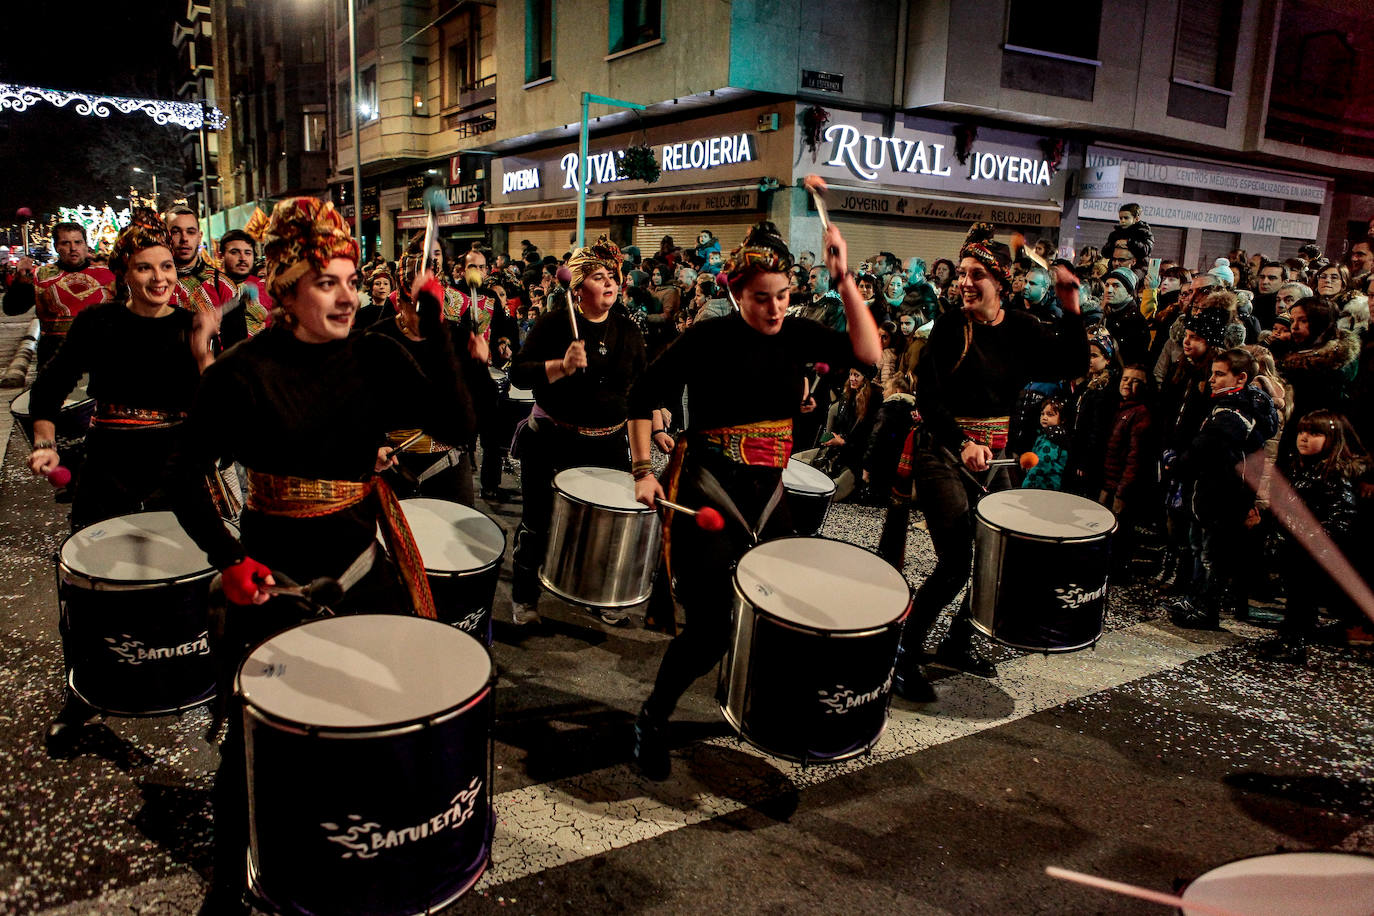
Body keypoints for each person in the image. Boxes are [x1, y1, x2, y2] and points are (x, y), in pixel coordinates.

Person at [169, 197, 474, 914]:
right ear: (285, 290)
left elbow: (458, 424)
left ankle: (369, 856)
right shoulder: (241, 374)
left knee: (381, 713)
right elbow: (181, 478)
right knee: (260, 737)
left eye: (350, 279)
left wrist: (434, 334)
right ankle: (232, 883)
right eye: (326, 282)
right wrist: (227, 557)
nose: (346, 296)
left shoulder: (376, 351)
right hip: (275, 577)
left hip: (369, 561)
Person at [627, 217, 881, 780]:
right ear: (736, 293)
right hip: (707, 490)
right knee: (711, 627)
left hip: (769, 494)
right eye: (761, 298)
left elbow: (869, 355)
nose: (774, 309)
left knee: (784, 608)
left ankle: (756, 705)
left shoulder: (797, 332)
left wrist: (845, 282)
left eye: (784, 297)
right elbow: (641, 394)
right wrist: (643, 469)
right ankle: (653, 717)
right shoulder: (707, 338)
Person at [28, 209, 219, 746]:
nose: (159, 278)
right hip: (109, 468)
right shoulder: (99, 323)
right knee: (90, 586)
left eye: (166, 267)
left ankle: (190, 679)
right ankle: (85, 696)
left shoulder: (190, 325)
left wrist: (204, 349)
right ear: (123, 273)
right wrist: (45, 442)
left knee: (190, 582)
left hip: (179, 469)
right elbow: (49, 389)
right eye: (144, 268)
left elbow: (218, 405)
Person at [893, 223, 1087, 701]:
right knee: (957, 560)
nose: (964, 281)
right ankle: (903, 653)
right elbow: (931, 400)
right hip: (942, 449)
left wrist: (1071, 308)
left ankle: (959, 640)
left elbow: (1073, 363)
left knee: (998, 557)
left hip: (996, 455)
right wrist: (962, 443)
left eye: (975, 274)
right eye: (961, 272)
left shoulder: (1021, 326)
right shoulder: (948, 326)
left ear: (999, 282)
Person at [507, 237, 648, 625]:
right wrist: (560, 367)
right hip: (554, 438)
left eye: (612, 277)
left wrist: (657, 420)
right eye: (598, 277)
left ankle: (598, 594)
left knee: (607, 526)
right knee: (538, 522)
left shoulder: (629, 330)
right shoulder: (554, 324)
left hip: (609, 442)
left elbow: (639, 386)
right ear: (577, 287)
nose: (609, 283)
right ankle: (525, 597)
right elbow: (519, 372)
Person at [1166, 347, 1279, 628]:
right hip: (1209, 495)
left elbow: (1205, 450)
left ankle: (1206, 608)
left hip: (1221, 498)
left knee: (1209, 556)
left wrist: (1178, 463)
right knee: (1201, 549)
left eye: (1219, 374)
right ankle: (1198, 599)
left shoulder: (1231, 416)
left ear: (1240, 378)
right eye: (1212, 373)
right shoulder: (1224, 408)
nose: (1212, 379)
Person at [1259, 410, 1364, 662]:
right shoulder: (1302, 468)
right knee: (1295, 597)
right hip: (1296, 547)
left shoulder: (1333, 474)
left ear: (1331, 438)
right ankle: (1289, 636)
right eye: (1302, 432)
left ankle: (1296, 643)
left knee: (1303, 599)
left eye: (1314, 433)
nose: (1304, 438)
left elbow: (1342, 516)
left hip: (1312, 550)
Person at [2, 222, 116, 367]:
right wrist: (20, 283)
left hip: (103, 360)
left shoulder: (110, 274)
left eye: (78, 242)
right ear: (57, 247)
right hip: (56, 363)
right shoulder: (41, 276)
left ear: (85, 245)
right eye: (66, 243)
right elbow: (12, 309)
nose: (73, 248)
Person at [1099, 365, 1155, 581]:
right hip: (1110, 481)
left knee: (1121, 531)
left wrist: (1122, 492)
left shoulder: (1140, 414)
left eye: (1135, 380)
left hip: (1122, 485)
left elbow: (1135, 457)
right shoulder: (1121, 408)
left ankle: (1120, 570)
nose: (1127, 383)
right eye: (1125, 378)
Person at [164, 206, 235, 314]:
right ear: (165, 236)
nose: (184, 239)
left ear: (199, 237)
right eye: (176, 232)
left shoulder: (222, 284)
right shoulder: (156, 284)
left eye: (191, 232)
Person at [218, 229, 272, 346]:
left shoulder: (267, 288)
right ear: (220, 256)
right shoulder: (208, 288)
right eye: (235, 252)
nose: (242, 258)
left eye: (248, 253)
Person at [1021, 398, 1069, 490]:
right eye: (1042, 414)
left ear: (1062, 419)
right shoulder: (1045, 434)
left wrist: (1027, 486)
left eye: (1050, 414)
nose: (1044, 417)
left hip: (1045, 487)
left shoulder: (1053, 439)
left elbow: (1042, 465)